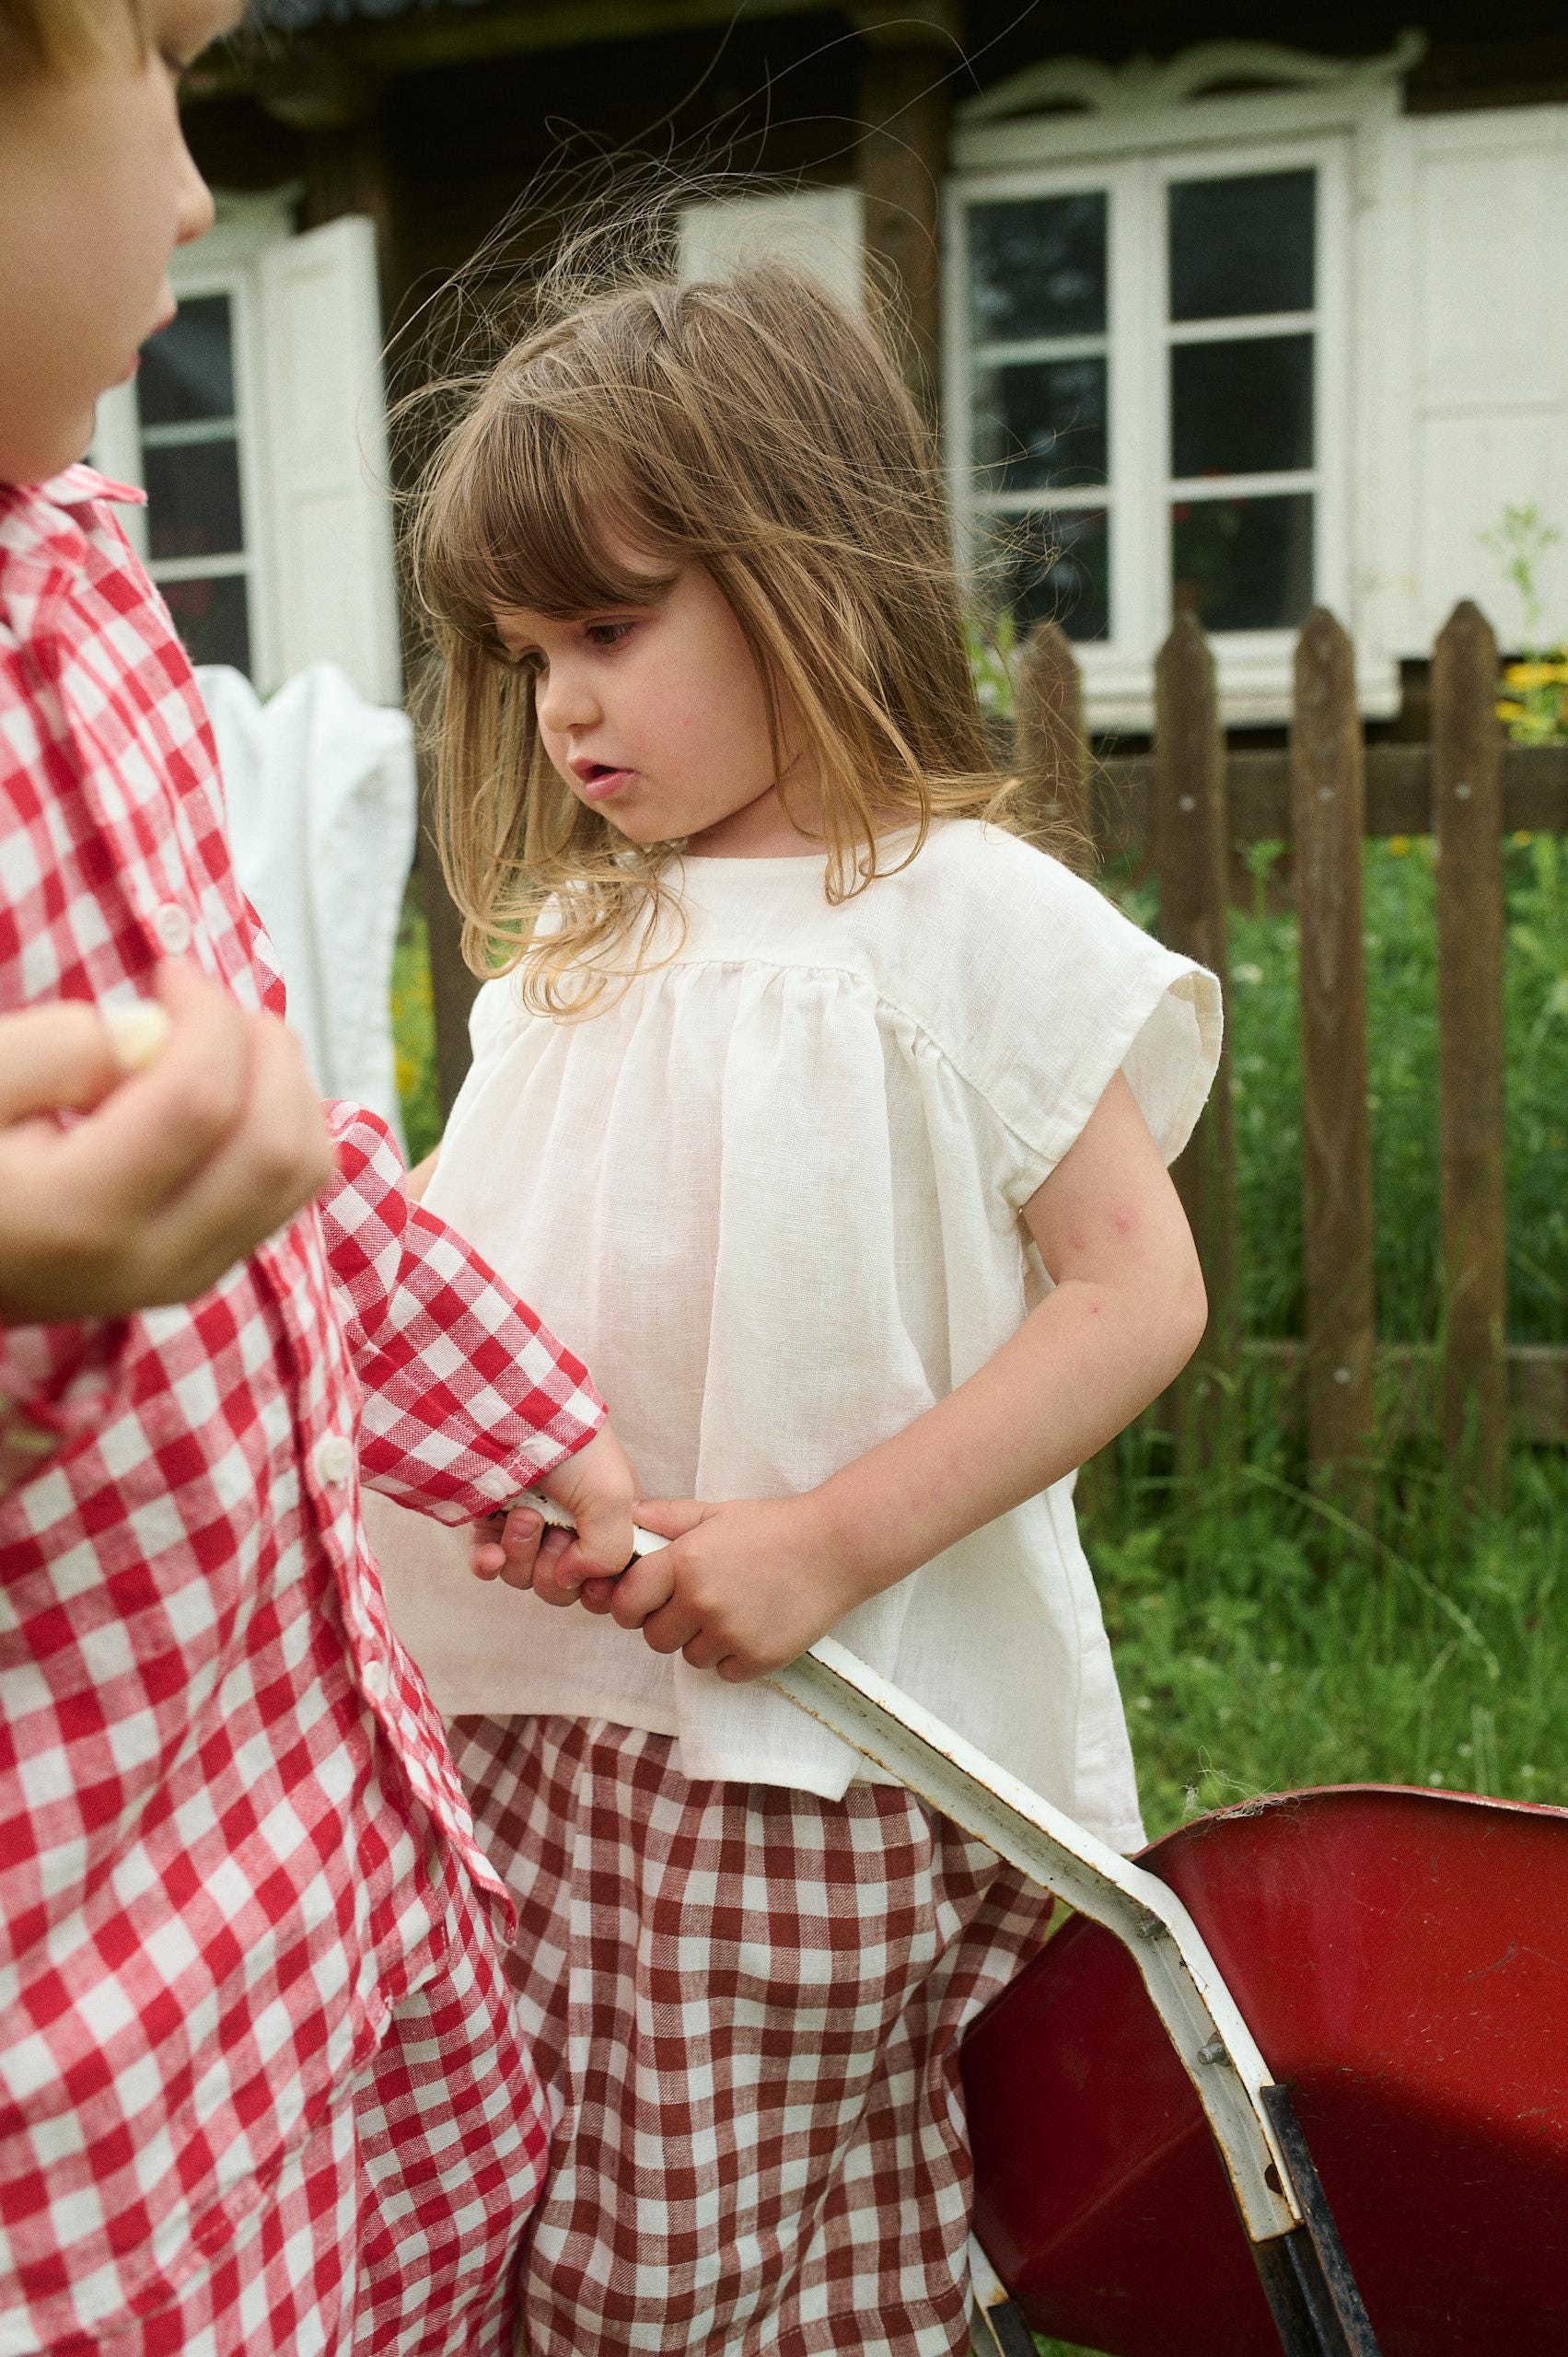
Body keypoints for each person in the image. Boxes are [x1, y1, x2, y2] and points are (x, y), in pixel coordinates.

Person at [370, 250, 1225, 2357]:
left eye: (606, 627)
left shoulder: (961, 918)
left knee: (724, 2236)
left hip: (822, 1734)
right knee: (545, 2192)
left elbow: (1137, 1292)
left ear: (801, 567)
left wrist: (825, 1542)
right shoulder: (573, 953)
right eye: (519, 651)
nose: (559, 701)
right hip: (538, 1721)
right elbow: (502, 1297)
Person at [0, 6, 636, 2351]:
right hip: (65, 2064)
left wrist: (519, 1414)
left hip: (296, 1868)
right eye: (148, 71)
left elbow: (297, 1161)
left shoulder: (85, 591)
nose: (193, 184)